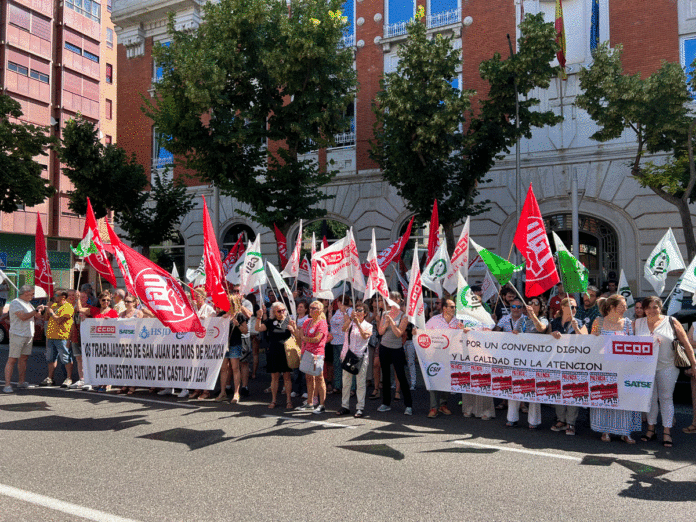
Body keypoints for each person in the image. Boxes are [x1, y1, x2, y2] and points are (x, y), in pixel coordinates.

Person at [635, 296, 696, 447]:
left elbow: (686, 344)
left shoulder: (671, 321)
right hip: (645, 368)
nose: (651, 310)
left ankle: (666, 432)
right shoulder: (637, 323)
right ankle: (651, 429)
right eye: (648, 307)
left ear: (660, 307)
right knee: (650, 398)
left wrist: (694, 365)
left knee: (666, 398)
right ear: (643, 309)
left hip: (667, 366)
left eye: (655, 307)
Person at [589, 295, 641, 443]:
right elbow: (590, 342)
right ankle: (605, 430)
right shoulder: (598, 322)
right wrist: (596, 338)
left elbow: (634, 344)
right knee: (606, 396)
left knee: (624, 398)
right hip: (604, 367)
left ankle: (626, 432)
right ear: (612, 307)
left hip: (623, 367)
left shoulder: (628, 324)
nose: (625, 308)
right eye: (622, 306)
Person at [506, 297, 548, 428]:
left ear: (540, 307)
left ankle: (533, 421)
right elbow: (516, 334)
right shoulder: (522, 320)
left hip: (536, 360)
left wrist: (534, 316)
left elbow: (541, 329)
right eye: (530, 303)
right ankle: (511, 418)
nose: (533, 305)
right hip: (521, 359)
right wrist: (515, 333)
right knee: (515, 386)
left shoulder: (543, 319)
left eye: (536, 304)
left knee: (533, 390)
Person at [549, 296, 587, 436]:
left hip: (575, 362)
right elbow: (546, 340)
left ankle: (571, 421)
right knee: (559, 390)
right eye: (571, 307)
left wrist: (576, 328)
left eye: (576, 307)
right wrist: (552, 334)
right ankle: (561, 419)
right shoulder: (555, 322)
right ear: (563, 307)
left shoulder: (581, 322)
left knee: (572, 391)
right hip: (558, 361)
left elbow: (586, 340)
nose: (574, 309)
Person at [423, 298, 463, 418]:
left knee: (446, 380)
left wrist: (463, 330)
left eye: (454, 307)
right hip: (436, 354)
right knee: (435, 379)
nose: (454, 309)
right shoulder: (434, 320)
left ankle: (443, 404)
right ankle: (433, 407)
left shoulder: (458, 322)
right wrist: (416, 333)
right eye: (451, 307)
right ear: (444, 308)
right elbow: (424, 333)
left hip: (450, 354)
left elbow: (462, 337)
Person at [377, 291, 413, 415]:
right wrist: (385, 323)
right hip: (384, 347)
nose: (390, 301)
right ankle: (385, 403)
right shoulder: (385, 313)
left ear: (398, 300)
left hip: (396, 349)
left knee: (401, 376)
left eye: (392, 298)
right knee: (385, 376)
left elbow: (399, 333)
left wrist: (391, 323)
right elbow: (381, 332)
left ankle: (408, 405)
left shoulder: (404, 316)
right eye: (389, 299)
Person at [255, 301, 296, 409]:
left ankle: (288, 400)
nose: (282, 312)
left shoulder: (289, 321)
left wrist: (294, 329)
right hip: (273, 352)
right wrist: (259, 317)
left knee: (287, 377)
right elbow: (258, 329)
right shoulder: (270, 321)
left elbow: (297, 336)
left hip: (286, 353)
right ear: (273, 312)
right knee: (274, 377)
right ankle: (273, 400)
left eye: (283, 310)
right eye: (279, 311)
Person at [3, 285, 44, 393]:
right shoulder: (15, 302)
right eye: (32, 293)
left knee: (24, 359)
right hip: (17, 334)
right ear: (26, 293)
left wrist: (41, 310)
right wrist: (35, 310)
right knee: (12, 359)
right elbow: (23, 316)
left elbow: (37, 316)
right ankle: (7, 385)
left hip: (28, 334)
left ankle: (21, 382)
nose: (33, 296)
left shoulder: (28, 303)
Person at [336, 302, 373, 418]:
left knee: (360, 383)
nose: (357, 312)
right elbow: (343, 329)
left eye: (360, 310)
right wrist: (351, 319)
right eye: (356, 310)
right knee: (346, 382)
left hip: (360, 357)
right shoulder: (351, 323)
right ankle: (345, 406)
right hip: (348, 356)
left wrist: (358, 324)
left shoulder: (368, 325)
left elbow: (365, 336)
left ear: (365, 313)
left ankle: (360, 407)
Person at [296, 300, 329, 413]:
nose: (311, 310)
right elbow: (300, 335)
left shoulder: (322, 323)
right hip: (307, 353)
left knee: (319, 378)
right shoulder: (307, 321)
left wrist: (305, 338)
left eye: (314, 308)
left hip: (316, 354)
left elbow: (317, 339)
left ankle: (322, 404)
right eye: (310, 307)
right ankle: (310, 403)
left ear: (320, 310)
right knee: (308, 377)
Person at [216, 294, 249, 403]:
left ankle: (236, 392)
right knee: (224, 368)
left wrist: (238, 324)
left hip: (234, 344)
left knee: (235, 368)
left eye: (229, 302)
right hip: (223, 345)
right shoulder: (222, 314)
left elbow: (245, 330)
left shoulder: (239, 315)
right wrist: (221, 319)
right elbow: (214, 327)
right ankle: (223, 392)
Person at [40, 290, 75, 388]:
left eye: (56, 295)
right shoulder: (54, 305)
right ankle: (50, 378)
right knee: (51, 358)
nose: (54, 297)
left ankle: (69, 378)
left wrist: (51, 312)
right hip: (51, 335)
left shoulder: (68, 307)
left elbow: (59, 320)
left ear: (63, 297)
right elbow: (45, 318)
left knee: (66, 358)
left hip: (62, 336)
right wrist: (47, 310)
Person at [328, 296, 352, 394]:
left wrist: (344, 312)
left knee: (347, 365)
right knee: (337, 365)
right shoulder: (337, 311)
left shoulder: (350, 310)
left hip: (344, 342)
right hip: (335, 341)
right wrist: (330, 312)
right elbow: (331, 322)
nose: (336, 303)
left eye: (338, 302)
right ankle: (337, 385)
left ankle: (350, 388)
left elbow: (348, 323)